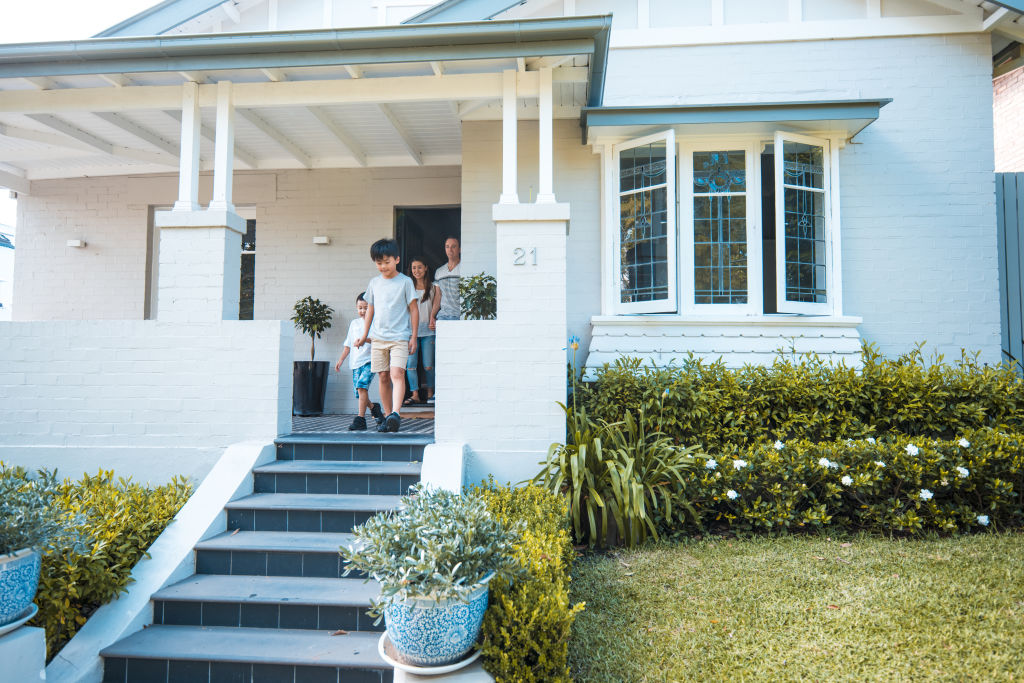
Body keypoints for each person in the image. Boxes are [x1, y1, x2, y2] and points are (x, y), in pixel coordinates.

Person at [355, 238, 419, 433]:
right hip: (378, 338)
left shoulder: (406, 282)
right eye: (379, 262)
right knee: (383, 376)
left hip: (400, 337)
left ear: (397, 259)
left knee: (396, 374)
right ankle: (388, 416)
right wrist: (364, 335)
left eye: (386, 262)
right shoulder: (374, 283)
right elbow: (370, 311)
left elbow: (414, 310)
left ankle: (396, 414)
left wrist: (414, 337)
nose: (383, 266)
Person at [334, 292, 385, 431]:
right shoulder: (354, 323)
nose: (362, 311)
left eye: (366, 308)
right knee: (359, 393)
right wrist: (340, 360)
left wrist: (365, 340)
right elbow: (348, 344)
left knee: (362, 386)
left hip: (370, 360)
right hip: (355, 363)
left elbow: (379, 340)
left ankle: (360, 419)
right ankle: (375, 408)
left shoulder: (376, 322)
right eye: (360, 308)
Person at [405, 257, 440, 405]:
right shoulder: (407, 287)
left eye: (419, 267)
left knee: (428, 365)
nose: (416, 271)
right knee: (411, 365)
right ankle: (415, 394)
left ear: (426, 268)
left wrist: (433, 318)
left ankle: (431, 393)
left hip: (428, 330)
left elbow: (436, 304)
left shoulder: (434, 287)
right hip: (410, 331)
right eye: (414, 268)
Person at [432, 235, 461, 324]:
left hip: (460, 317)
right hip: (443, 317)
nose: (450, 250)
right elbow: (438, 296)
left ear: (460, 249)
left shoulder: (465, 269)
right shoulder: (439, 271)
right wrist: (432, 316)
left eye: (453, 246)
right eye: (447, 246)